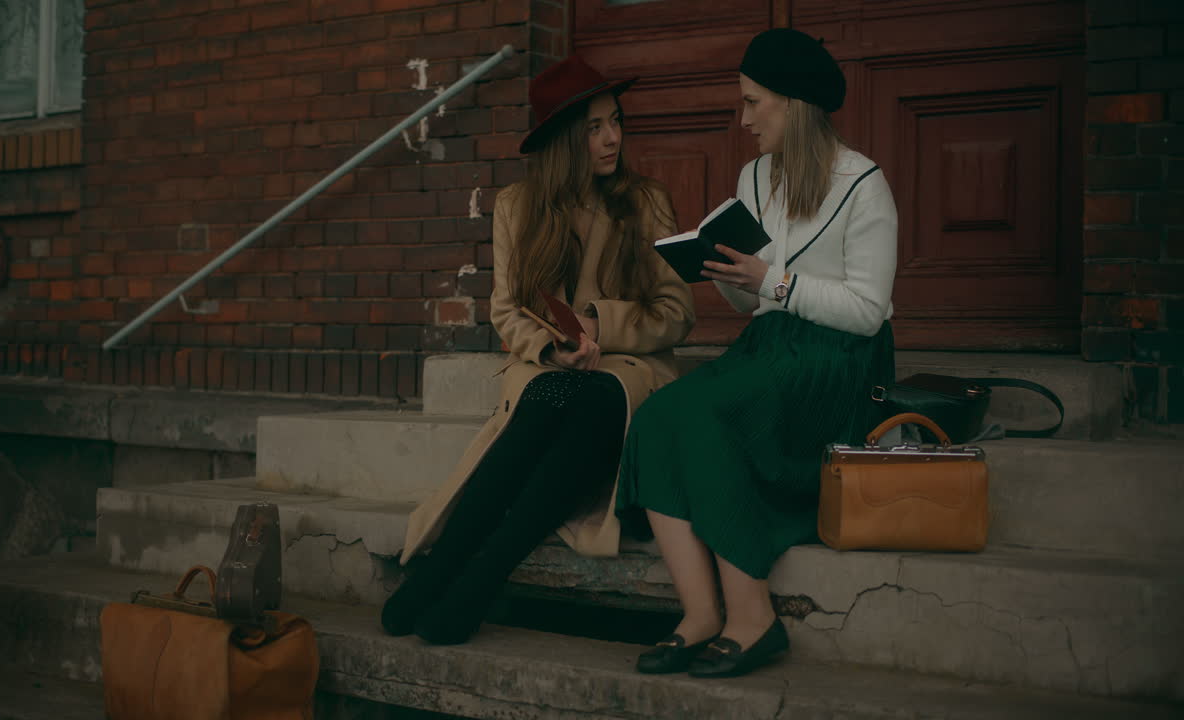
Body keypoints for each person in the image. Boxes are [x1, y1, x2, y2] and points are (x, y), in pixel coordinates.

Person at [382, 54, 696, 646]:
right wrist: (554, 349)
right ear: (563, 139)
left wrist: (599, 322)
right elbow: (506, 309)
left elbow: (678, 314)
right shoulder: (517, 207)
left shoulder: (645, 201)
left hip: (627, 372)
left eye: (616, 122)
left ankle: (472, 581)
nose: (612, 138)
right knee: (549, 397)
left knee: (591, 399)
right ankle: (444, 572)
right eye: (594, 127)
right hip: (552, 368)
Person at [618, 28, 899, 678]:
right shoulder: (755, 175)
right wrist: (723, 271)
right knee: (663, 415)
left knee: (712, 414)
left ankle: (754, 618)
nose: (743, 119)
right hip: (770, 346)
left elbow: (866, 311)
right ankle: (700, 615)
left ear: (792, 103)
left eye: (753, 102)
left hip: (839, 363)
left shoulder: (864, 185)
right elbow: (756, 303)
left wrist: (772, 281)